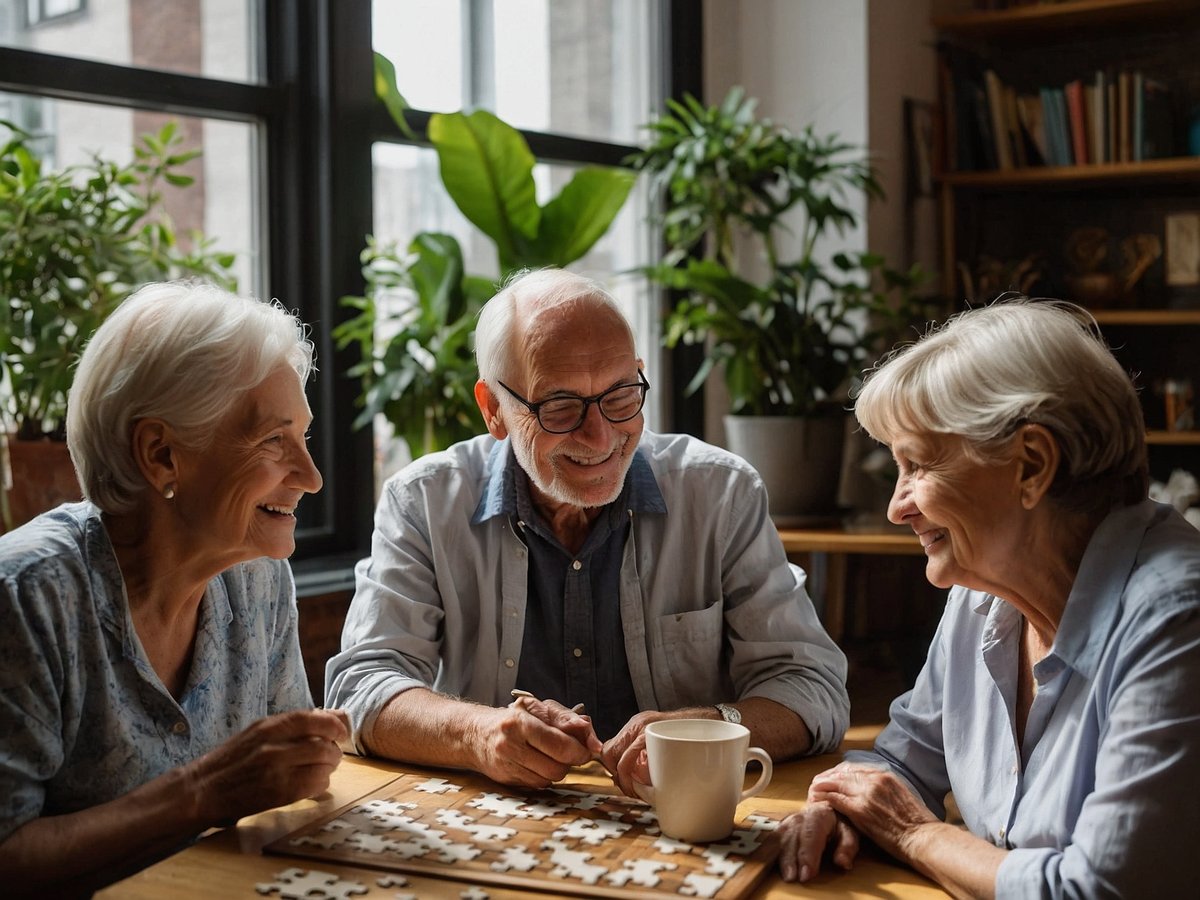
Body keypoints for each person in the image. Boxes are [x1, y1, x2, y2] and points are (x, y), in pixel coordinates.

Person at [326, 267, 848, 796]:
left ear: (639, 375)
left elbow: (812, 688)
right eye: (560, 407)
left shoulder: (721, 494)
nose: (600, 437)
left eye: (620, 396)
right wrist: (478, 734)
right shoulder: (422, 502)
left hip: (682, 815)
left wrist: (708, 726)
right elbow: (359, 688)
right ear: (494, 410)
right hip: (498, 818)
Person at [777, 298, 1200, 898]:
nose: (897, 508)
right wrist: (840, 808)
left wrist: (913, 834)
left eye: (916, 465)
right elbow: (902, 763)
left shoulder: (1176, 623)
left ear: (1031, 465)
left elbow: (1099, 890)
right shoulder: (985, 592)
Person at [0, 282, 349, 895]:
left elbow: (288, 789)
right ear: (161, 454)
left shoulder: (258, 577)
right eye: (274, 440)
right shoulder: (29, 597)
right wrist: (202, 793)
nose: (311, 477)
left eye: (305, 437)